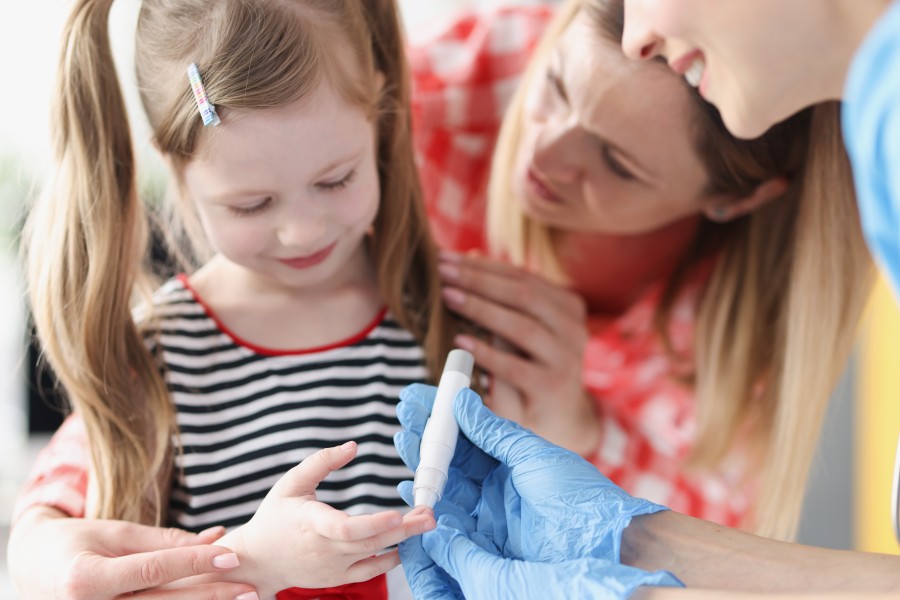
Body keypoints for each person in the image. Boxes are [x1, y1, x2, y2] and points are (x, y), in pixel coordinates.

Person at [393, 0, 900, 596]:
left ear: (732, 202)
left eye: (617, 164)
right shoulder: (468, 74)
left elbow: (716, 517)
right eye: (555, 86)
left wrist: (580, 433)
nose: (545, 155)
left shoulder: (730, 342)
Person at [9, 0, 462, 598]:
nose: (302, 231)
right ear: (176, 165)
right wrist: (255, 563)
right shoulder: (161, 348)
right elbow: (45, 538)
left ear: (379, 110)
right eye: (252, 205)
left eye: (336, 179)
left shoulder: (444, 312)